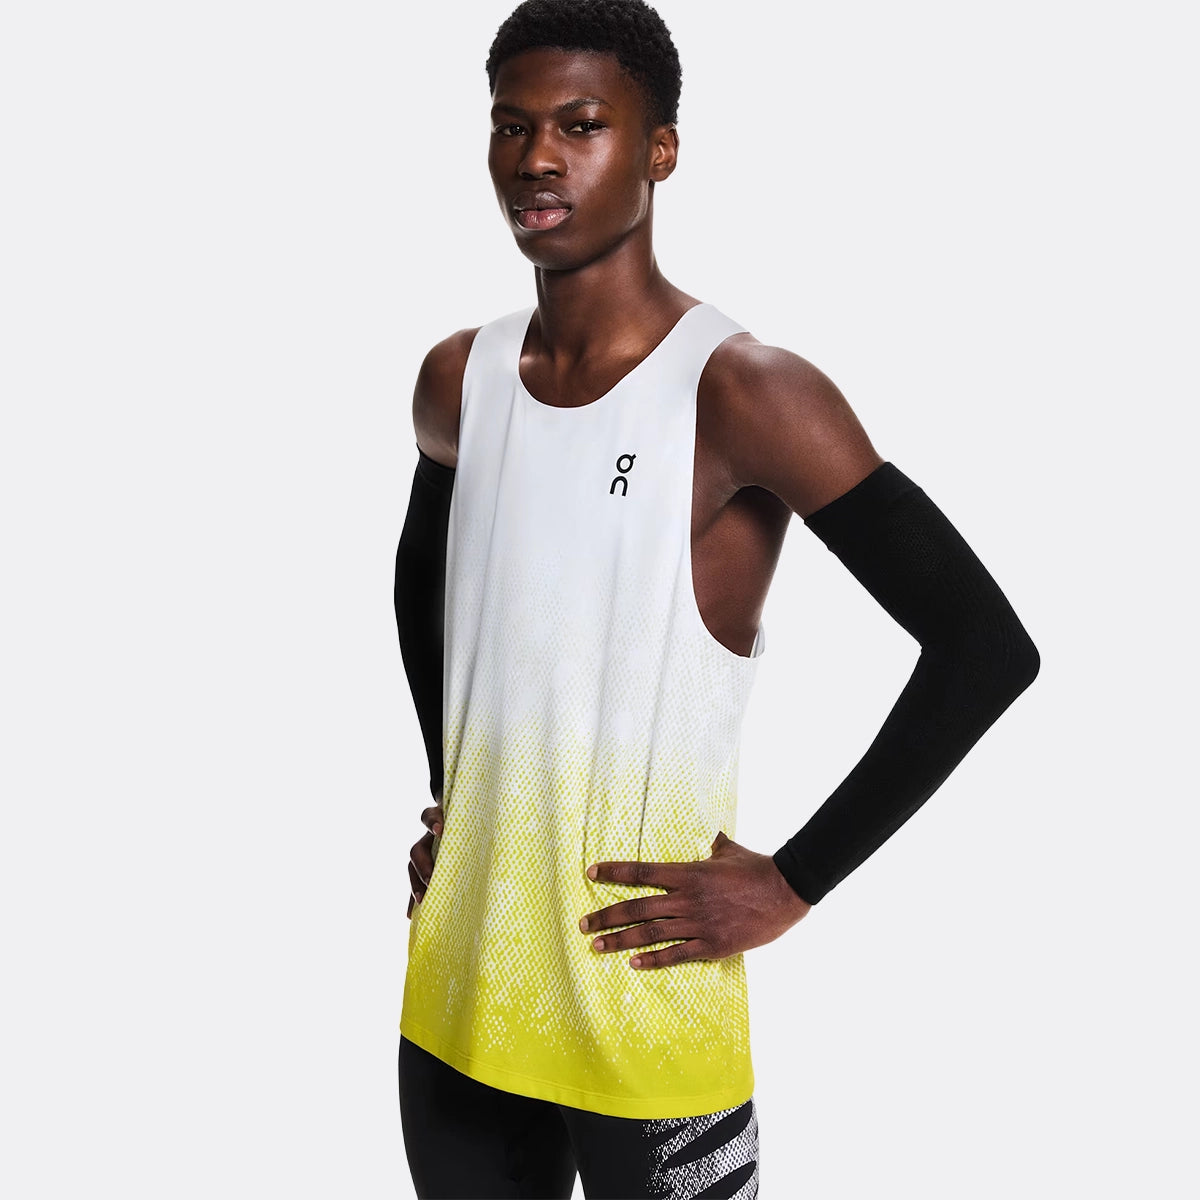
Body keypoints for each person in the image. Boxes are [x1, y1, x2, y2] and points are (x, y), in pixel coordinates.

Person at [393, 1, 1040, 1196]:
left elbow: (984, 647)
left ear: (660, 149)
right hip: (460, 999)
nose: (538, 159)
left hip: (646, 1006)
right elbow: (423, 587)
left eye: (582, 125)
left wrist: (795, 881)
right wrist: (459, 792)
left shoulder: (744, 392)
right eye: (512, 126)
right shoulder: (458, 381)